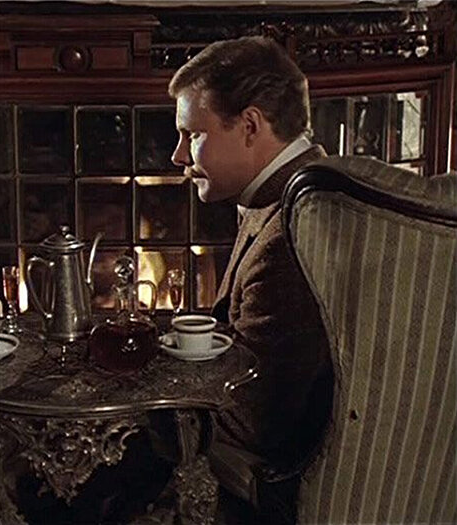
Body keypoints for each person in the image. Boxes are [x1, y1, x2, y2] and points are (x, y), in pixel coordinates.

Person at [169, 36, 333, 516]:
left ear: (250, 126)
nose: (179, 156)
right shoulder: (282, 195)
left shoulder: (291, 232)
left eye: (191, 135)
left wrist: (147, 399)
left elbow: (256, 418)